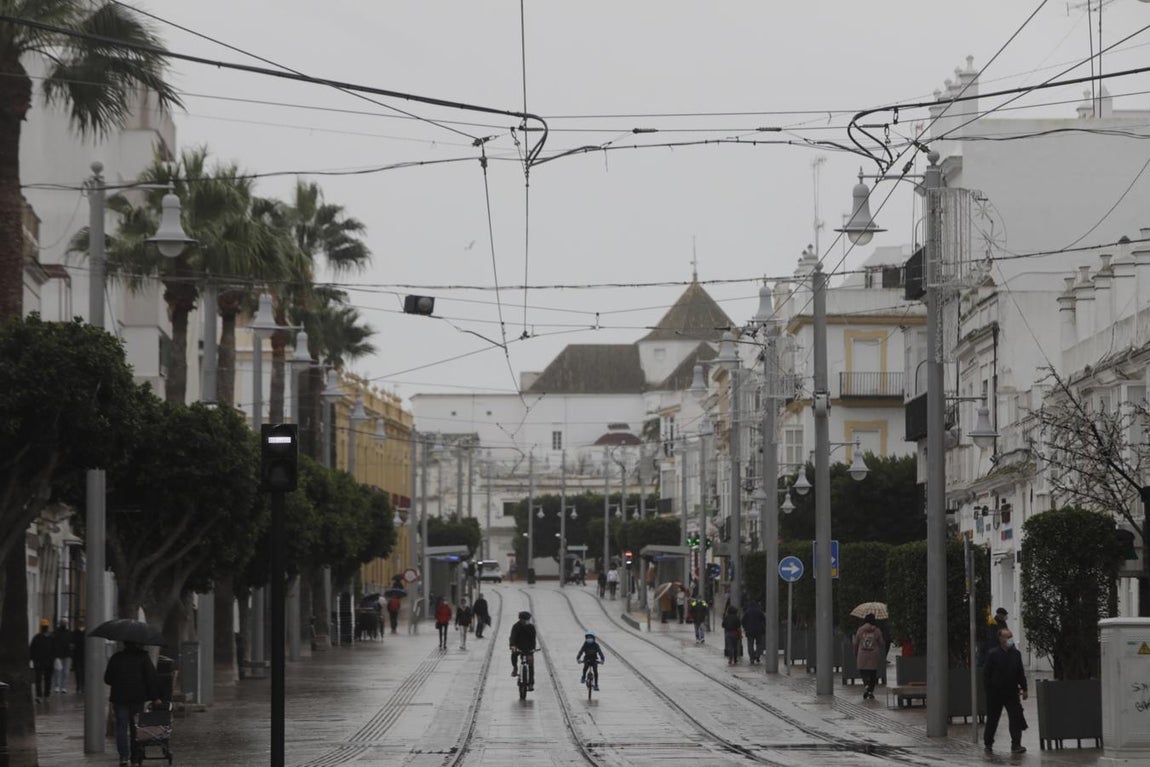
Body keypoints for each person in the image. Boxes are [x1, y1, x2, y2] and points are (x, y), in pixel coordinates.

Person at [104, 641, 162, 767]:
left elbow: (107, 679)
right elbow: (151, 678)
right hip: (137, 698)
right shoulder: (143, 657)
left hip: (119, 698)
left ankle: (123, 756)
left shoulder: (116, 657)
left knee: (121, 727)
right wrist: (155, 697)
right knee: (136, 727)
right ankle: (135, 758)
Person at [983, 628, 1029, 754]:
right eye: (1007, 637)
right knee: (993, 719)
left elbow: (1020, 673)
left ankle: (1016, 744)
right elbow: (986, 674)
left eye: (1011, 637)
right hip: (995, 693)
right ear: (1001, 639)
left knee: (1015, 718)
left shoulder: (1016, 654)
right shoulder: (993, 654)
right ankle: (988, 743)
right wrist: (988, 689)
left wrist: (1024, 689)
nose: (1010, 640)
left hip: (1012, 692)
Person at [853, 613, 886, 699]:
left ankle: (866, 686)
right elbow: (882, 643)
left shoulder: (860, 630)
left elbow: (856, 643)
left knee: (863, 672)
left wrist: (855, 652)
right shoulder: (877, 630)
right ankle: (870, 690)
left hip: (862, 655)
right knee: (873, 674)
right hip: (873, 655)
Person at [509, 610, 537, 690]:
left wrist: (533, 649)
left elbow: (533, 639)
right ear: (521, 619)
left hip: (528, 648)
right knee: (513, 654)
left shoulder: (531, 627)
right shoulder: (516, 626)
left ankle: (531, 683)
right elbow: (512, 637)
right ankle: (515, 667)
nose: (526, 621)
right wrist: (512, 646)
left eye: (528, 620)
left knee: (531, 664)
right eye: (525, 620)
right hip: (518, 646)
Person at [29, 619, 53, 702]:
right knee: (42, 679)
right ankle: (42, 696)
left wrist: (31, 659)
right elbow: (32, 649)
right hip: (41, 662)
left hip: (44, 662)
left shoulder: (38, 637)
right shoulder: (48, 638)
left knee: (44, 679)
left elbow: (31, 649)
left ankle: (44, 696)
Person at [50, 620, 72, 693]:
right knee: (59, 671)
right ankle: (58, 686)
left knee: (64, 671)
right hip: (59, 655)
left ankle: (63, 687)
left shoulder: (68, 633)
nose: (64, 625)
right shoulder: (56, 633)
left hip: (66, 655)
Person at [70, 622, 85, 694]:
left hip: (83, 656)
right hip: (78, 656)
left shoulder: (85, 633)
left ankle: (82, 686)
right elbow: (72, 644)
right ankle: (79, 687)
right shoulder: (74, 634)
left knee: (83, 672)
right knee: (78, 672)